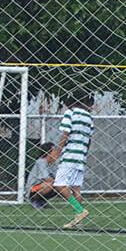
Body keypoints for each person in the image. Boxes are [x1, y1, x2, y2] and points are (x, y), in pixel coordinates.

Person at [43, 90, 95, 227]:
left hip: (70, 155)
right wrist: (83, 154)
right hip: (81, 156)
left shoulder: (70, 113)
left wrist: (57, 152)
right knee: (76, 189)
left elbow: (65, 134)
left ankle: (80, 210)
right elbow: (89, 140)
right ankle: (79, 222)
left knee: (59, 184)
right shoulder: (89, 117)